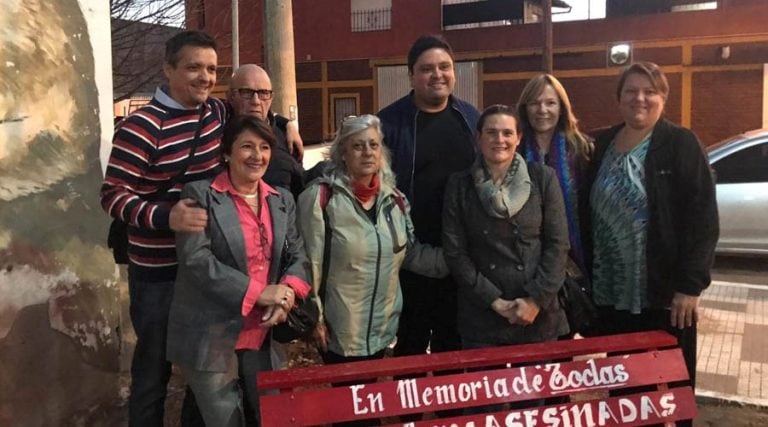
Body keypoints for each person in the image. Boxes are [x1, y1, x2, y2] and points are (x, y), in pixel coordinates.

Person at [100, 30, 227, 426]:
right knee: (153, 368)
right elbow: (112, 195)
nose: (205, 77)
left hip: (204, 269)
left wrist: (284, 124)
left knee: (204, 368)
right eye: (193, 67)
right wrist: (164, 216)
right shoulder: (140, 127)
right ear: (168, 68)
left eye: (211, 69)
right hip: (156, 274)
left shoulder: (216, 114)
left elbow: (254, 120)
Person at [585, 62, 719, 400]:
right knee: (623, 385)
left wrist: (690, 286)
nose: (639, 98)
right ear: (619, 98)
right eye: (630, 91)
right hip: (611, 292)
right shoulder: (602, 144)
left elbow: (703, 219)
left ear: (663, 98)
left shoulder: (680, 143)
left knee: (667, 387)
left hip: (663, 295)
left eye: (649, 91)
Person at [167, 116, 311, 426]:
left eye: (264, 147)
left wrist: (286, 294)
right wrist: (259, 292)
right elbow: (196, 261)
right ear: (226, 153)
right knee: (225, 420)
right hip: (211, 333)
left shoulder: (282, 200)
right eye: (246, 146)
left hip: (262, 332)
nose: (256, 156)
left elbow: (297, 253)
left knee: (269, 416)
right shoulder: (200, 194)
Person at [297, 115, 447, 392]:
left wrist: (457, 261)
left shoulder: (395, 201)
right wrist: (314, 319)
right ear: (343, 153)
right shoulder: (321, 200)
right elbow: (308, 264)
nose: (367, 152)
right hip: (339, 331)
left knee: (368, 400)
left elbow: (409, 254)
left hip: (382, 329)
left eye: (373, 145)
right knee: (350, 408)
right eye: (357, 146)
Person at [378, 35, 479, 360]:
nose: (437, 75)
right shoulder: (389, 123)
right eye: (427, 69)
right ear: (411, 75)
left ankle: (450, 411)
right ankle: (409, 411)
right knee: (410, 343)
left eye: (444, 67)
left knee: (454, 343)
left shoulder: (472, 120)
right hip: (409, 258)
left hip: (462, 257)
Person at [442, 104, 570, 353]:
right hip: (482, 316)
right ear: (478, 138)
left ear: (519, 138)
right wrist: (494, 301)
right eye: (491, 132)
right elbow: (455, 252)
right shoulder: (459, 185)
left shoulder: (543, 178)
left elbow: (558, 244)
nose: (499, 139)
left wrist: (535, 299)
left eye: (507, 133)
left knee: (537, 393)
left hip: (537, 315)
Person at [516, 74, 592, 276]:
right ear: (525, 108)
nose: (542, 110)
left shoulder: (582, 149)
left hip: (578, 255)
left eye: (550, 103)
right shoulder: (514, 151)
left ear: (562, 108)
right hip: (526, 258)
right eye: (535, 103)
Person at [229, 64, 305, 198]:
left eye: (264, 93)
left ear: (271, 98)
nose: (256, 101)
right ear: (230, 96)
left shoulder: (285, 136)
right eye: (246, 92)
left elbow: (300, 183)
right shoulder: (216, 130)